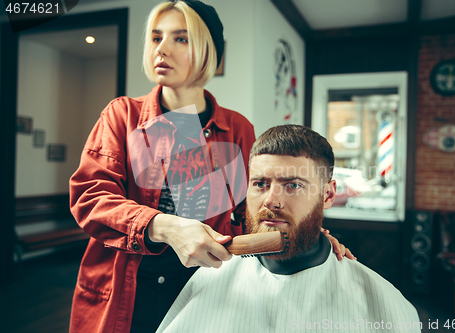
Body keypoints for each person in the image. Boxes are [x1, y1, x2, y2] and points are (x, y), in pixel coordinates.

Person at [69, 1, 351, 333]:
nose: (162, 49)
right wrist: (167, 227)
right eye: (156, 37)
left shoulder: (237, 130)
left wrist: (312, 237)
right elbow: (91, 198)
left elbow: (251, 211)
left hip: (203, 290)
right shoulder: (122, 116)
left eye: (181, 38)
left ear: (210, 52)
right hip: (127, 294)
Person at [156, 125, 422, 333]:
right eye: (260, 183)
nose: (271, 200)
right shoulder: (209, 277)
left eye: (293, 185)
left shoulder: (379, 299)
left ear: (328, 195)